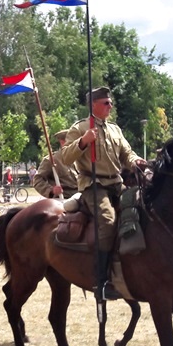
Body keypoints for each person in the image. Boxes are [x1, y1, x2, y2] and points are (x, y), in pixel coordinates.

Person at [60, 86, 146, 300]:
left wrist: (135, 161)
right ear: (93, 105)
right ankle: (101, 281)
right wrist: (83, 142)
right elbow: (65, 157)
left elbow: (127, 152)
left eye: (110, 102)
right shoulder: (80, 128)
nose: (110, 106)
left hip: (116, 184)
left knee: (142, 210)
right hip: (93, 185)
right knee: (107, 222)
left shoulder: (115, 129)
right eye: (106, 103)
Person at [32, 129, 79, 199]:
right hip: (64, 198)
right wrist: (51, 190)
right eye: (71, 142)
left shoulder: (78, 159)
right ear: (62, 142)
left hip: (80, 196)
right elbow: (37, 180)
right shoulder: (51, 160)